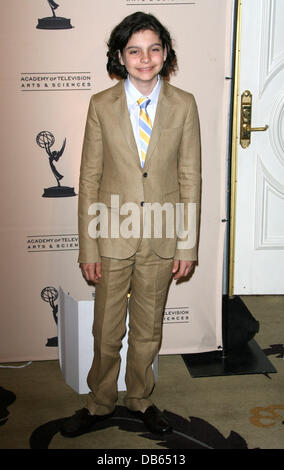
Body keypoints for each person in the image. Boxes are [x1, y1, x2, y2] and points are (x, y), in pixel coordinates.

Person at [61, 11, 201, 438]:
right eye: (135, 50)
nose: (145, 58)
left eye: (154, 49)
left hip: (162, 236)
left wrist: (187, 245)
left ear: (165, 54)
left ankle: (140, 398)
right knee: (106, 327)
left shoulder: (185, 104)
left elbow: (190, 177)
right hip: (111, 233)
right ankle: (100, 401)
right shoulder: (101, 105)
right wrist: (88, 248)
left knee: (147, 329)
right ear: (120, 57)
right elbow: (88, 178)